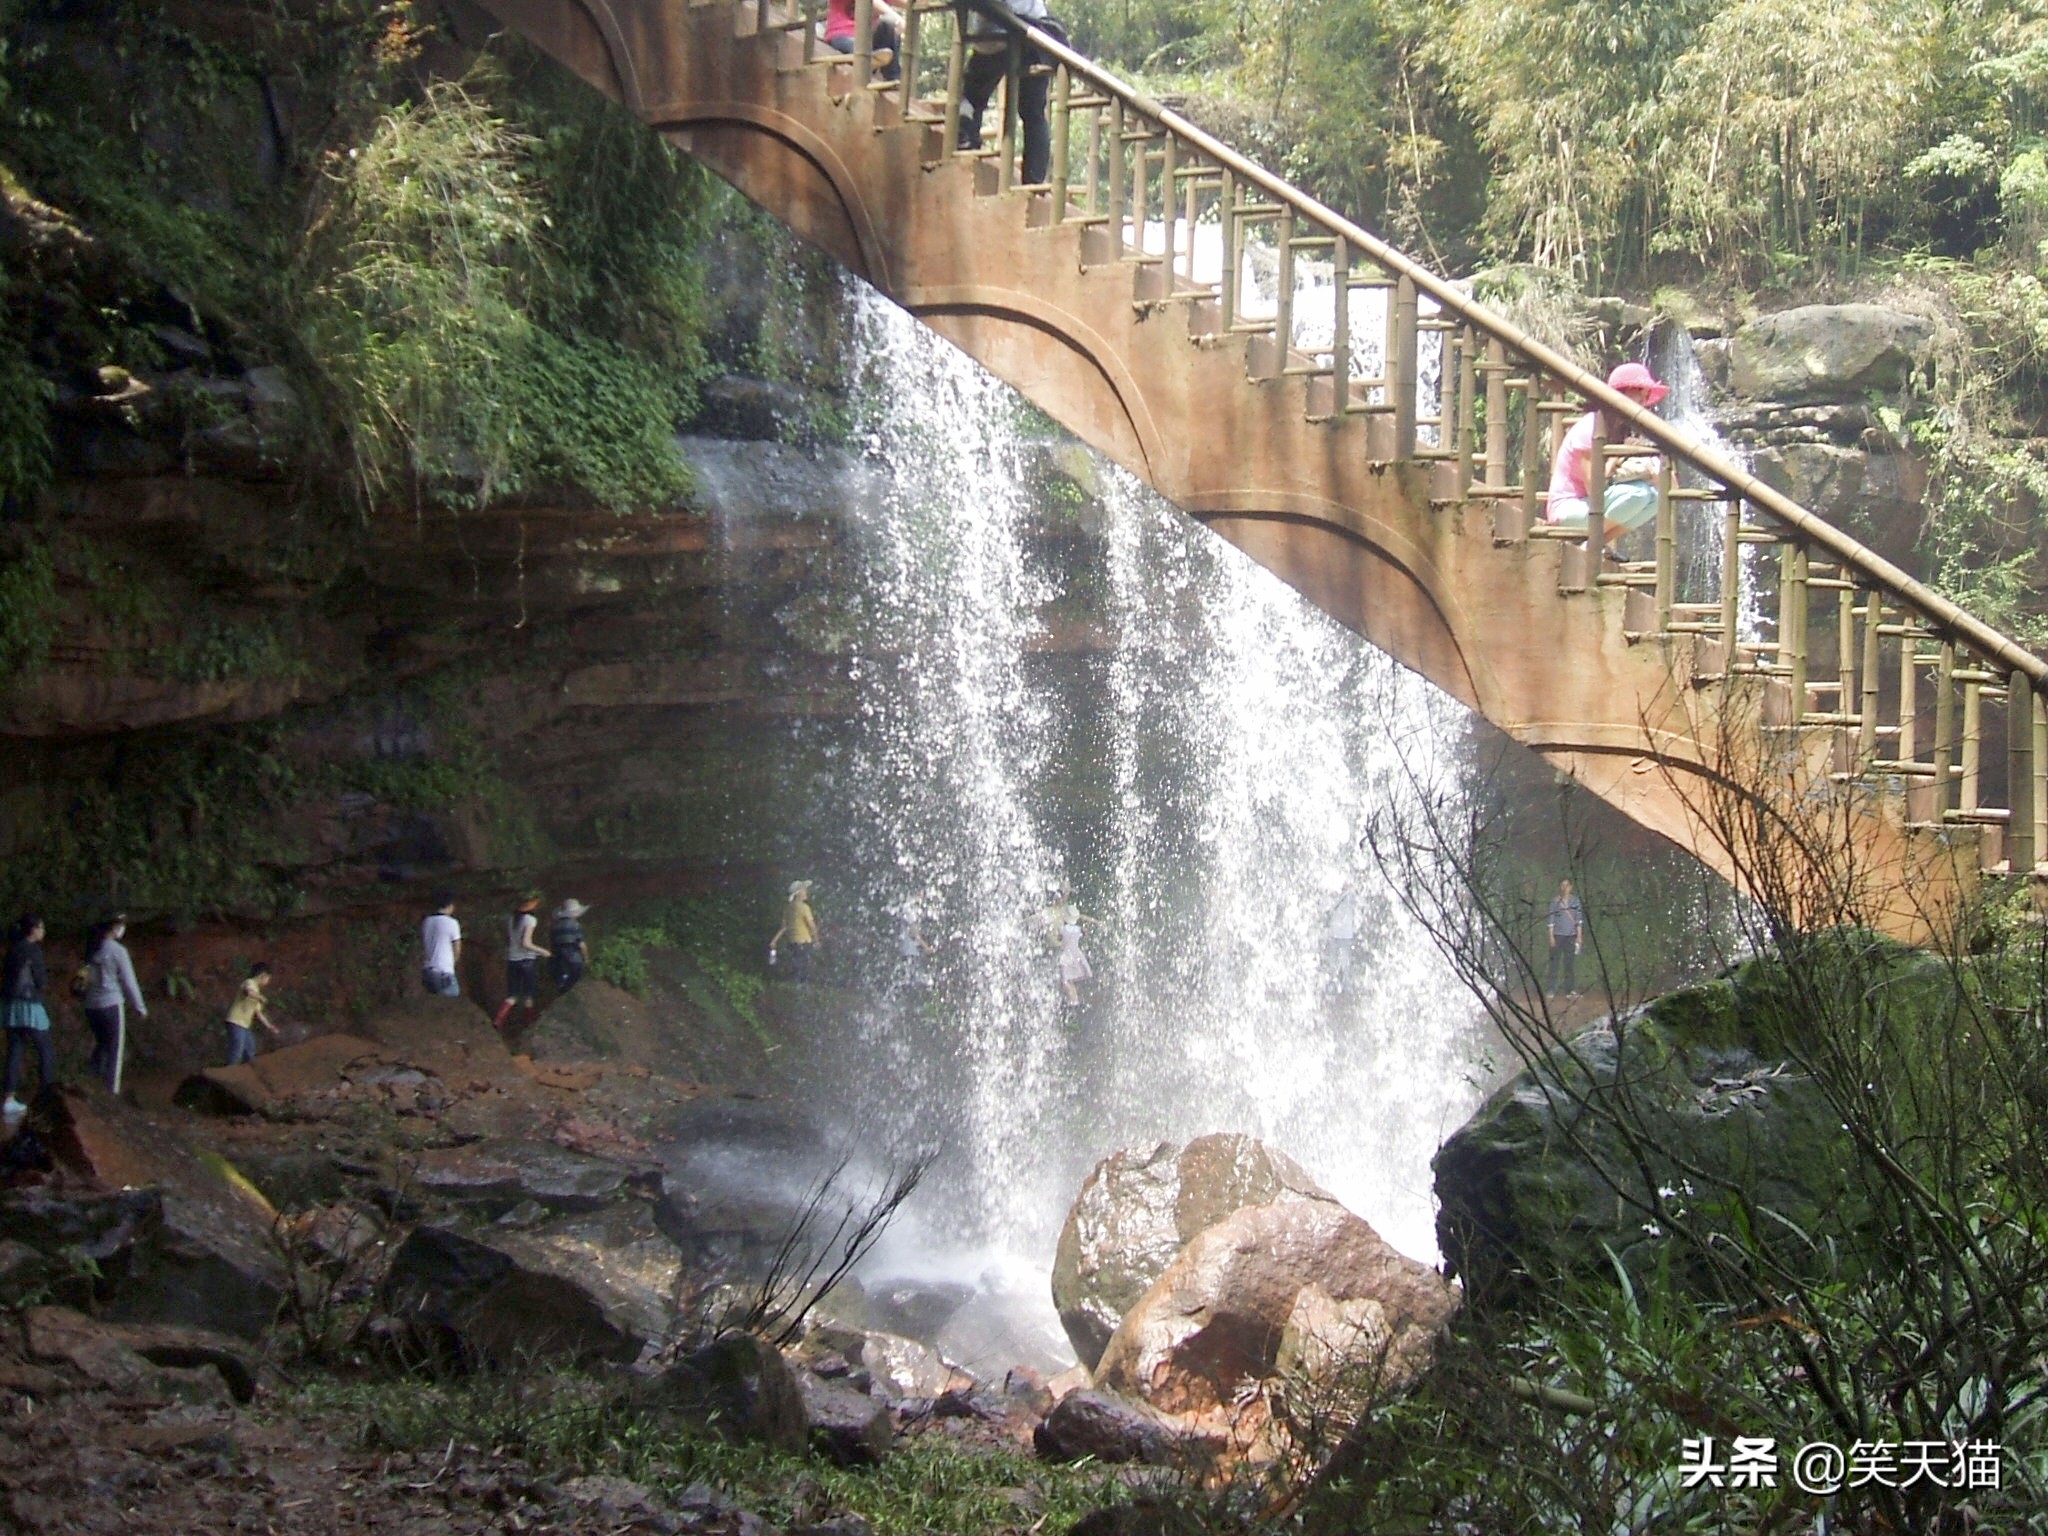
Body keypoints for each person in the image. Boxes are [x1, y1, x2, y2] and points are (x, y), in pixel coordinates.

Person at [1545, 361, 1670, 548]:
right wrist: (1618, 457)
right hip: (1568, 509)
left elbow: (1670, 488)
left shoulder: (1621, 432)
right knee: (1639, 493)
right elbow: (1594, 488)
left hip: (1591, 508)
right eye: (1639, 396)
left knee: (1655, 497)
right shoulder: (1591, 426)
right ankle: (1593, 544)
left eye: (1646, 398)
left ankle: (1596, 543)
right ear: (1621, 395)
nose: (1644, 404)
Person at [957, 0, 1069, 186]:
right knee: (1033, 112)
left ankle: (966, 141)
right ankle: (1034, 181)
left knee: (971, 96)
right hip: (1029, 33)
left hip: (1006, 31)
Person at [80, 912, 146, 1094]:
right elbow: (129, 981)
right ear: (114, 927)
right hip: (111, 1004)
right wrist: (139, 1007)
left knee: (101, 1044)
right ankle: (112, 1092)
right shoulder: (117, 951)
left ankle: (89, 1082)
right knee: (115, 1051)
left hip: (91, 1006)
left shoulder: (92, 948)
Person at [2, 915, 52, 1116]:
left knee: (14, 1050)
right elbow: (40, 980)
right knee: (46, 1049)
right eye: (41, 927)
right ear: (33, 930)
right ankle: (48, 1097)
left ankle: (8, 1098)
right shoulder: (33, 950)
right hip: (30, 1005)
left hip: (10, 1006)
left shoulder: (13, 949)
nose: (43, 931)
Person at [495, 894, 551, 1032]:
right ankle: (529, 1025)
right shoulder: (530, 920)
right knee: (528, 996)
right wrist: (543, 951)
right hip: (527, 961)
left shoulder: (510, 919)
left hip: (512, 959)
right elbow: (526, 943)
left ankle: (498, 1020)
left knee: (512, 996)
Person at [824, 0, 902, 81]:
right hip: (842, 35)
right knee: (858, 48)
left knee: (888, 24)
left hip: (867, 40)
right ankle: (868, 60)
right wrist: (897, 18)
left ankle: (893, 77)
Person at [224, 963, 279, 1067]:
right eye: (268, 978)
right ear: (262, 975)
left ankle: (249, 1072)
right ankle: (230, 1071)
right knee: (237, 1050)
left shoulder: (257, 990)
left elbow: (258, 1013)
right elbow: (248, 992)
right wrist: (260, 997)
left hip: (244, 1025)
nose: (268, 981)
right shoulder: (249, 982)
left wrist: (269, 1026)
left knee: (250, 1048)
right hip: (235, 1021)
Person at [770, 880, 821, 982]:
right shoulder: (804, 907)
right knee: (803, 967)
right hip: (804, 941)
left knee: (796, 964)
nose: (806, 891)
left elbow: (784, 927)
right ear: (798, 893)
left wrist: (774, 940)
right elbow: (811, 925)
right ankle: (800, 988)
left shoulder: (788, 908)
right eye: (804, 889)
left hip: (792, 942)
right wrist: (816, 940)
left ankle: (794, 985)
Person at [1546, 878, 1585, 998]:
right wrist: (1551, 937)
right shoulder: (1555, 902)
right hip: (1558, 935)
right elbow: (1551, 920)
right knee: (1554, 963)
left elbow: (1579, 919)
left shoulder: (1575, 901)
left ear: (1571, 887)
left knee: (1569, 964)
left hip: (1571, 936)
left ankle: (1570, 989)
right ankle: (1551, 989)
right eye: (1562, 885)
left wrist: (1579, 936)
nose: (1564, 888)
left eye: (1567, 885)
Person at [421, 891, 462, 997]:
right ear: (450, 905)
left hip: (427, 971)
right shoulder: (452, 923)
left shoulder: (427, 921)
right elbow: (457, 949)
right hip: (443, 972)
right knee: (454, 996)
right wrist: (452, 964)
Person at [550, 899, 591, 993]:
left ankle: (561, 986)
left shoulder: (555, 926)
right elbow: (581, 944)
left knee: (561, 977)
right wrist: (586, 958)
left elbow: (552, 943)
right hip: (573, 956)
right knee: (575, 976)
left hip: (558, 957)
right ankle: (566, 991)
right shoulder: (576, 925)